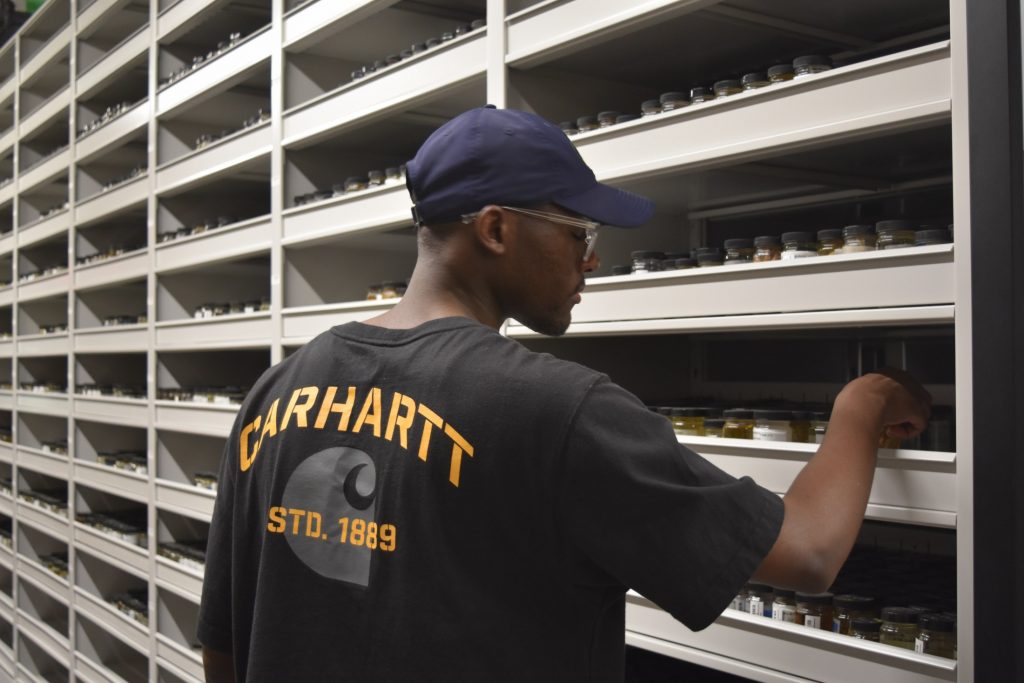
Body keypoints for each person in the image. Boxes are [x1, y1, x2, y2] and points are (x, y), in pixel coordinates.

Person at [198, 105, 931, 682]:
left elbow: (226, 646)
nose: (593, 257)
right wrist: (864, 402)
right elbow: (808, 552)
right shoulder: (554, 410)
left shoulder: (277, 391)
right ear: (495, 229)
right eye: (578, 231)